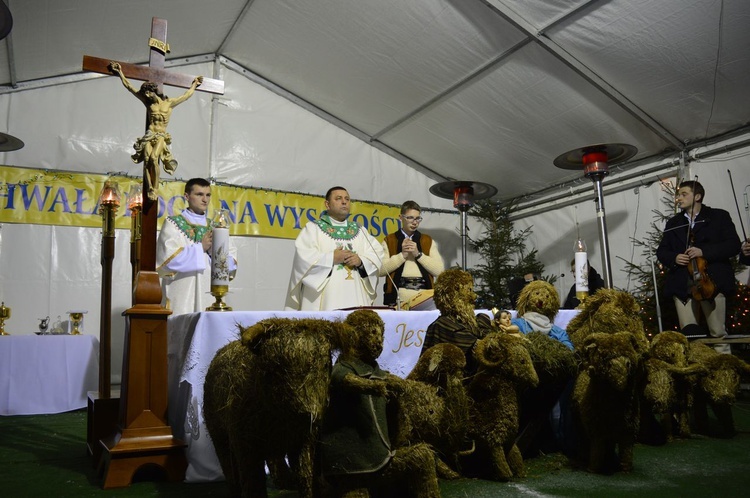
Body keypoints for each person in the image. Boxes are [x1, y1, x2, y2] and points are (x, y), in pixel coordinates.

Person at [656, 180, 740, 353]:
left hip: (711, 282)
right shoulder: (673, 223)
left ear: (698, 196)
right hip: (683, 285)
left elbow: (733, 245)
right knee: (689, 335)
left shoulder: (719, 216)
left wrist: (704, 251)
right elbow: (662, 251)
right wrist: (674, 257)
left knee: (718, 333)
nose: (679, 198)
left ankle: (724, 373)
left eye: (684, 194)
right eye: (678, 195)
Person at [109, 61, 203, 200]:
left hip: (160, 135)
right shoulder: (148, 103)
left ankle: (156, 188)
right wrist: (120, 72)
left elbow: (186, 96)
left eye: (148, 92)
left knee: (154, 158)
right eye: (145, 93)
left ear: (154, 91)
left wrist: (194, 84)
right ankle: (150, 188)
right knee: (147, 161)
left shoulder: (169, 103)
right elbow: (130, 87)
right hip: (149, 135)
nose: (146, 95)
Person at [285, 186, 385, 310]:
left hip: (355, 295)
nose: (344, 202)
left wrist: (360, 261)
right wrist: (331, 258)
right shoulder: (313, 229)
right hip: (326, 297)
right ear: (327, 204)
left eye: (347, 199)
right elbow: (303, 259)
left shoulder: (360, 230)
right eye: (338, 198)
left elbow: (377, 254)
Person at [156, 178, 237, 315]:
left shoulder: (217, 227)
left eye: (208, 195)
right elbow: (167, 260)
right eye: (199, 194)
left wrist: (214, 254)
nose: (205, 199)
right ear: (187, 196)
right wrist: (201, 248)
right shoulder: (173, 224)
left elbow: (231, 263)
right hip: (183, 295)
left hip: (210, 295)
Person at [420, 268, 493, 376]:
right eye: (469, 291)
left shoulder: (478, 321)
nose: (474, 296)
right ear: (454, 295)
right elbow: (475, 346)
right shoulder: (443, 325)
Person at [379, 200, 444, 308]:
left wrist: (418, 255)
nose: (415, 222)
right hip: (399, 298)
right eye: (410, 218)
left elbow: (439, 271)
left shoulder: (427, 240)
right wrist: (402, 255)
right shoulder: (390, 240)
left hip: (425, 298)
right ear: (401, 217)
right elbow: (380, 270)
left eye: (418, 218)